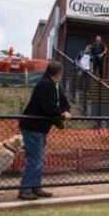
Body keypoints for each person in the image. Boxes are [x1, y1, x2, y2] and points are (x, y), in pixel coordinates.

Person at [18, 61, 71, 201]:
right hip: (32, 127)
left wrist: (65, 111)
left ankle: (36, 187)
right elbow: (48, 108)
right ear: (58, 72)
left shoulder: (54, 84)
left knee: (39, 159)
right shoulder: (44, 84)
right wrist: (60, 118)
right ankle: (25, 190)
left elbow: (64, 102)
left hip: (41, 128)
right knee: (34, 159)